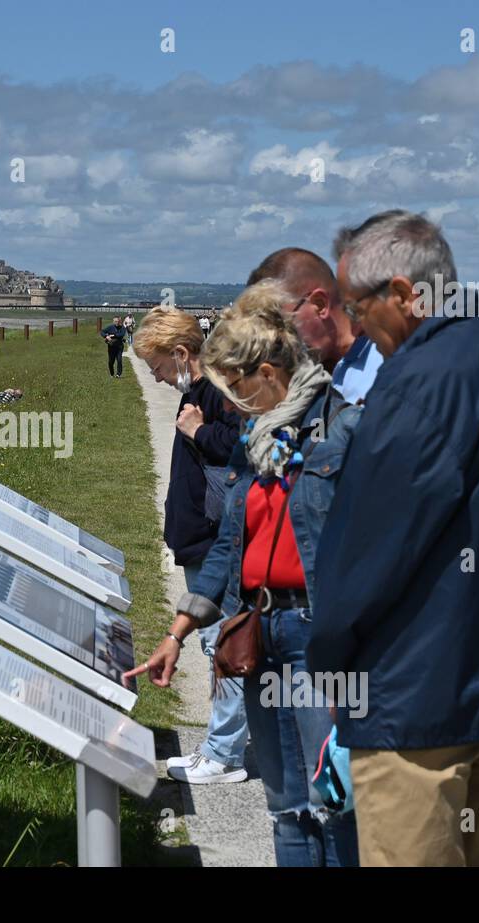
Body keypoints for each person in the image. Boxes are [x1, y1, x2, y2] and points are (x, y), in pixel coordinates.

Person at [312, 210, 479, 867]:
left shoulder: (422, 381)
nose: (355, 328)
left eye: (357, 305)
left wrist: (328, 656)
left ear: (405, 294)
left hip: (414, 700)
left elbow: (368, 548)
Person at [127, 280, 363, 867]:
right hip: (260, 634)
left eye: (236, 390)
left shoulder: (348, 431)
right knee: (286, 807)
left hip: (319, 640)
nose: (230, 405)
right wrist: (177, 633)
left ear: (268, 372)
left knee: (334, 801)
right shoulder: (257, 445)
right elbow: (229, 547)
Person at [134, 305, 249, 785]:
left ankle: (223, 754)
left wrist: (198, 431)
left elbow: (244, 446)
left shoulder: (217, 393)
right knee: (215, 643)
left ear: (182, 354)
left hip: (212, 539)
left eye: (158, 367)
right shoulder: (200, 391)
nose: (158, 379)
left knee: (221, 645)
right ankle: (226, 744)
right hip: (199, 537)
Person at [247, 247, 384, 405]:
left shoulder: (388, 360)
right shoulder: (300, 380)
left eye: (281, 325)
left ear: (320, 304)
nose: (278, 342)